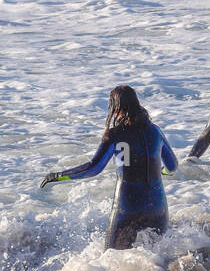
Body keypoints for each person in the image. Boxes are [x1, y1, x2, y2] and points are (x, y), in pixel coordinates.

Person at [41, 86, 178, 249]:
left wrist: (58, 175)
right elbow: (172, 166)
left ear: (116, 108)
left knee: (111, 260)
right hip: (157, 207)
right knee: (159, 261)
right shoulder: (155, 131)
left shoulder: (115, 134)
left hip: (128, 207)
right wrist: (161, 171)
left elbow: (94, 168)